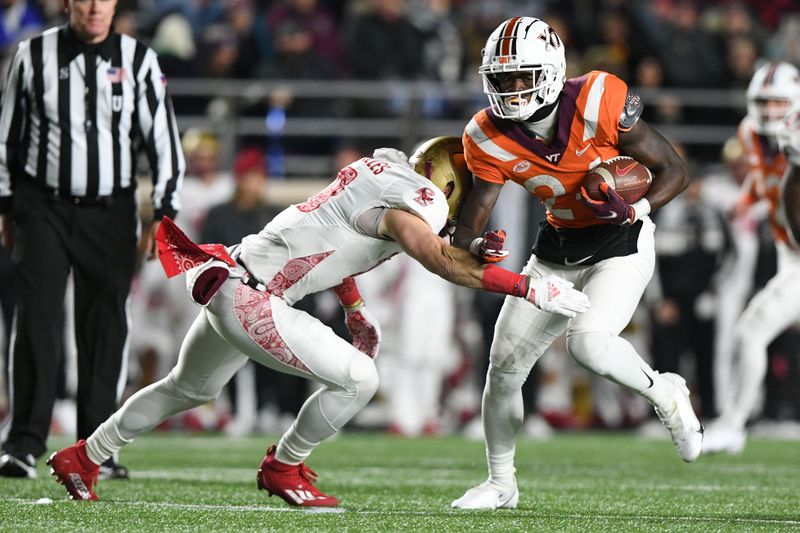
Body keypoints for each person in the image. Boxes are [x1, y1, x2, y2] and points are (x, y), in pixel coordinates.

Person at [46, 137, 590, 505]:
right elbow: (440, 259)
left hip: (234, 278)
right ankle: (285, 465)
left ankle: (83, 456)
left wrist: (354, 307)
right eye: (469, 199)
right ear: (447, 184)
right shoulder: (417, 201)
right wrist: (529, 286)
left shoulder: (380, 170)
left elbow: (332, 239)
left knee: (185, 388)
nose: (469, 211)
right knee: (359, 378)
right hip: (251, 295)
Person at [449, 17, 700, 510]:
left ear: (551, 70)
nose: (513, 89)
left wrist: (636, 208)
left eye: (523, 76)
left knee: (587, 344)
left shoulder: (599, 97)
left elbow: (675, 169)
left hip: (621, 240)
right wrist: (475, 245)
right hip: (556, 248)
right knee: (503, 368)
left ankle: (666, 394)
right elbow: (474, 216)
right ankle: (501, 484)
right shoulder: (486, 134)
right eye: (503, 79)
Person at [0, 0, 184, 478]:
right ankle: (23, 442)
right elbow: (7, 138)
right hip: (42, 207)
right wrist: (4, 204)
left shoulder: (139, 59)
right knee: (37, 320)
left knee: (105, 327)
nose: (94, 7)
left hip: (111, 211)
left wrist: (162, 212)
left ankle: (96, 447)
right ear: (67, 3)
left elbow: (162, 140)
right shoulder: (32, 55)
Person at [703, 62, 800, 454]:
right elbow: (764, 181)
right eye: (764, 101)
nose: (771, 111)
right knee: (750, 333)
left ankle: (733, 423)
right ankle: (734, 423)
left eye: (779, 102)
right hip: (787, 254)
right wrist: (746, 201)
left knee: (751, 331)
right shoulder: (749, 131)